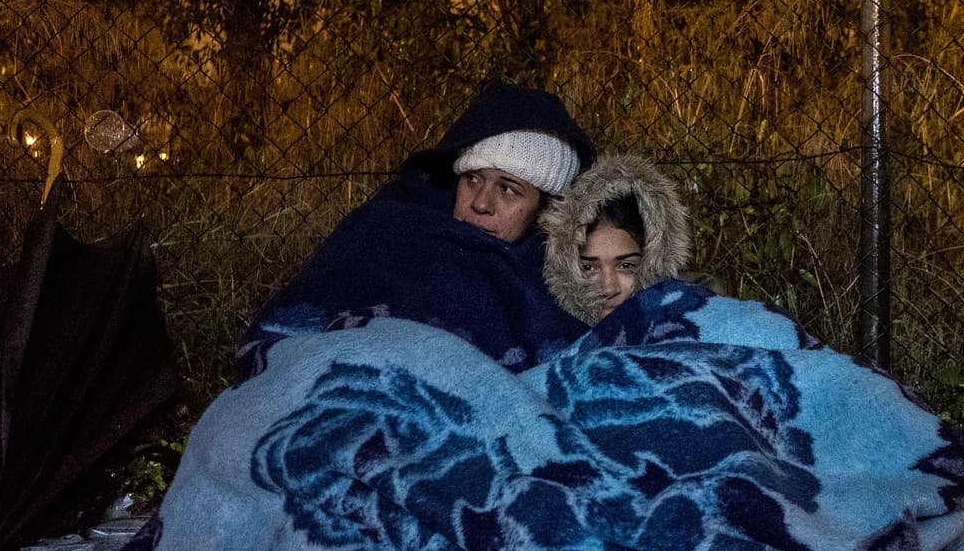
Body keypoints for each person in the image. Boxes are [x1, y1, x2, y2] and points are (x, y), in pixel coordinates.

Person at [235, 82, 597, 378]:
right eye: (472, 179)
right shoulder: (390, 226)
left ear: (546, 209)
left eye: (508, 189)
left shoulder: (558, 275)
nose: (481, 203)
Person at [541, 152, 692, 325]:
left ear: (655, 260)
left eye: (626, 266)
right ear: (566, 271)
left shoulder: (695, 315)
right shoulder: (545, 331)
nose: (608, 288)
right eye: (589, 267)